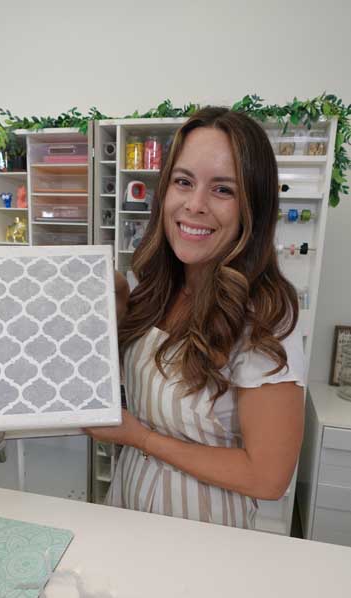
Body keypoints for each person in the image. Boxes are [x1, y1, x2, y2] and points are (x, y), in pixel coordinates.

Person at [85, 106, 304, 529]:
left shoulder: (265, 317)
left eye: (223, 190)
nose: (195, 205)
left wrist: (139, 437)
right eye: (183, 182)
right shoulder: (151, 286)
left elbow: (268, 477)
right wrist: (113, 314)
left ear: (252, 207)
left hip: (204, 535)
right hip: (127, 508)